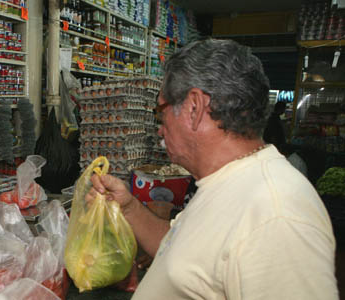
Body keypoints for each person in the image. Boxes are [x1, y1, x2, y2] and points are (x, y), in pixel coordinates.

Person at [88, 39, 337, 299]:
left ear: (194, 107)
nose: (160, 127)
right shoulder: (224, 181)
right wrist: (127, 208)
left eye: (160, 110)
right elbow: (183, 251)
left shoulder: (276, 215)